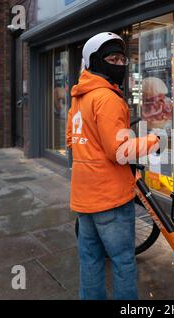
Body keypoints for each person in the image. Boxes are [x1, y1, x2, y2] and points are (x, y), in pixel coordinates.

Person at [66, 32, 160, 300]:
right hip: (110, 197)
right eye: (112, 58)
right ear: (95, 61)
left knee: (90, 259)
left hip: (84, 196)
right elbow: (119, 151)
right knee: (122, 261)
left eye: (122, 58)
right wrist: (154, 141)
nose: (119, 64)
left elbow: (71, 141)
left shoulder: (79, 97)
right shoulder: (107, 98)